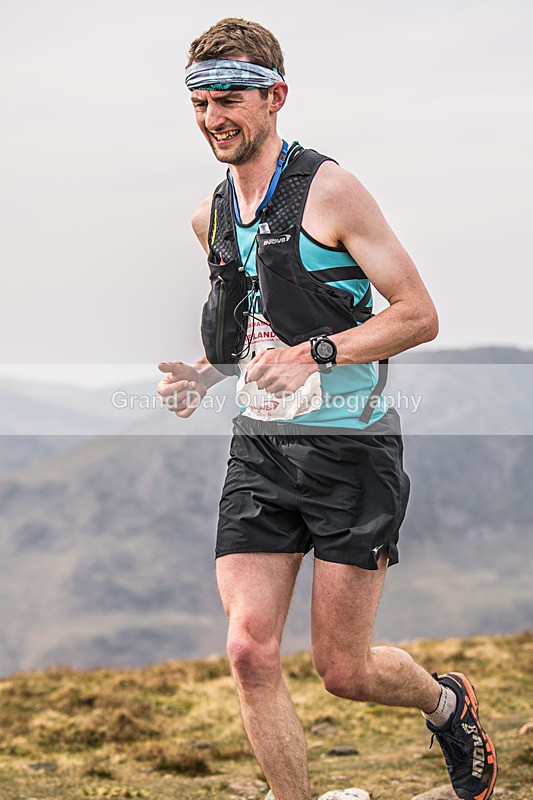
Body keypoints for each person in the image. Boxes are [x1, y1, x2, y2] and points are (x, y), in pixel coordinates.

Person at [157, 18, 497, 800]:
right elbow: (256, 332)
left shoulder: (331, 190)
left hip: (351, 451)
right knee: (249, 651)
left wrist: (317, 354)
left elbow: (417, 315)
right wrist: (203, 377)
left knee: (343, 670)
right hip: (260, 450)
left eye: (231, 98)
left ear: (275, 97)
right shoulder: (208, 216)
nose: (214, 118)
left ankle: (447, 704)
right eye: (201, 102)